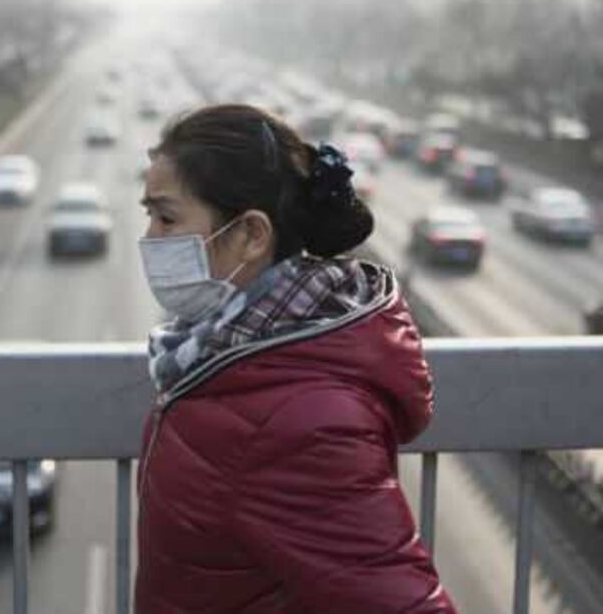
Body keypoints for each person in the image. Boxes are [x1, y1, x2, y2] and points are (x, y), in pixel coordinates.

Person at [136, 104, 455, 613]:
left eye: (166, 217)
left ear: (252, 235)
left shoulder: (297, 423)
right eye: (148, 214)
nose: (149, 238)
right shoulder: (230, 359)